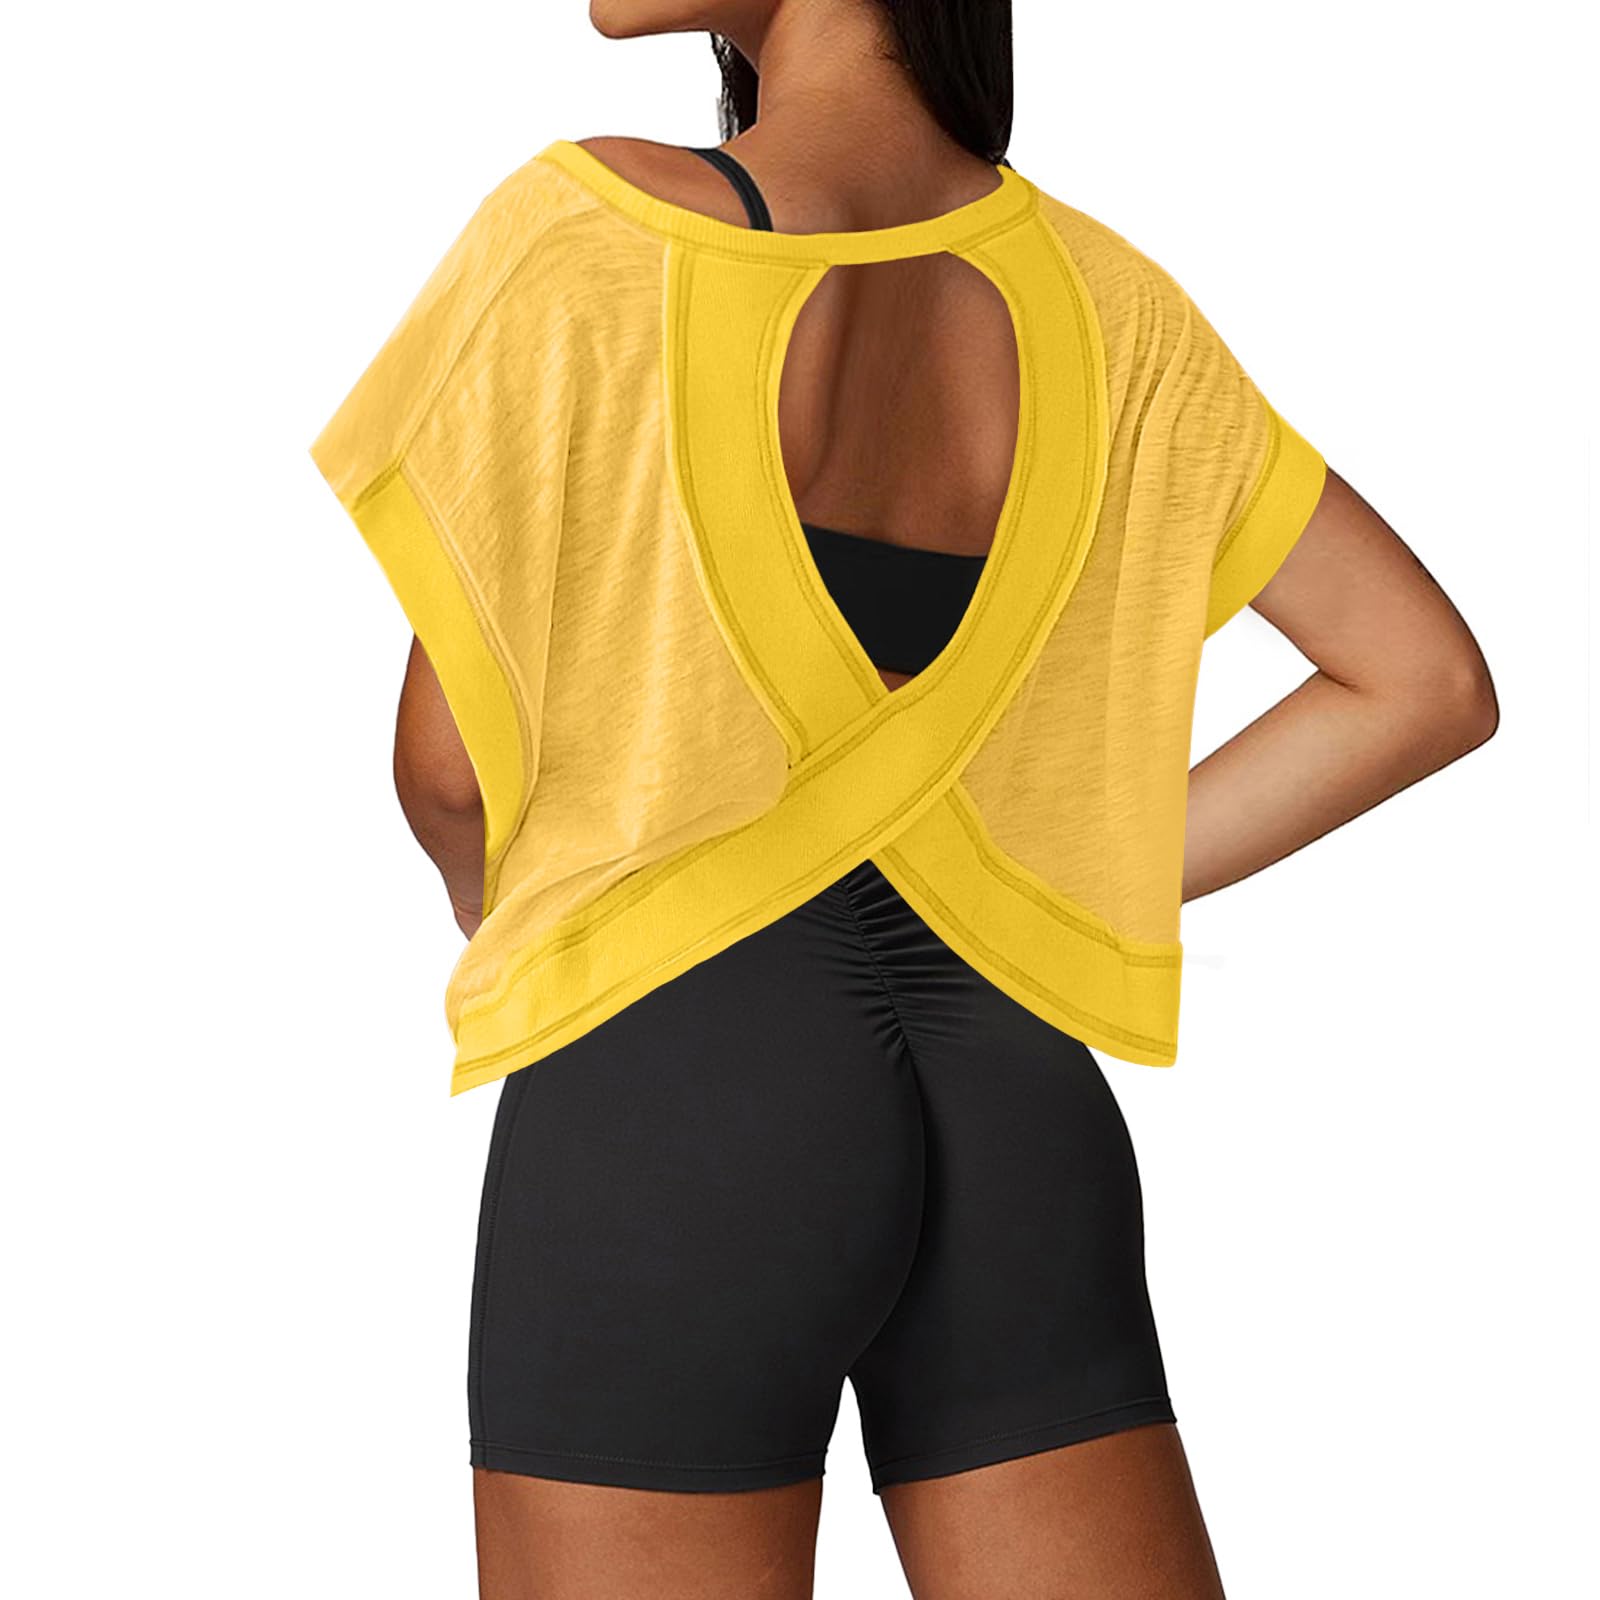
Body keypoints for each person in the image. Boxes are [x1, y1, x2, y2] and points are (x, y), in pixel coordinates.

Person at [310, 4, 1498, 1596]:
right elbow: (1422, 682)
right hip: (1012, 1092)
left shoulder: (592, 230)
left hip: (676, 1089)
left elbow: (445, 769)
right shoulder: (1106, 302)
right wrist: (1055, 873)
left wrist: (527, 922)